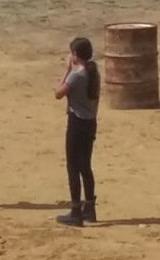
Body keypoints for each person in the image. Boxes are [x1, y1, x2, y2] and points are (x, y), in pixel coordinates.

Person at [54, 37, 100, 227]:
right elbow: (96, 100)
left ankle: (75, 211)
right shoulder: (94, 73)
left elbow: (58, 93)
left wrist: (66, 71)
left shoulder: (76, 76)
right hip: (89, 122)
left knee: (73, 166)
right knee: (85, 166)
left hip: (76, 123)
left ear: (75, 55)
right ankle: (89, 208)